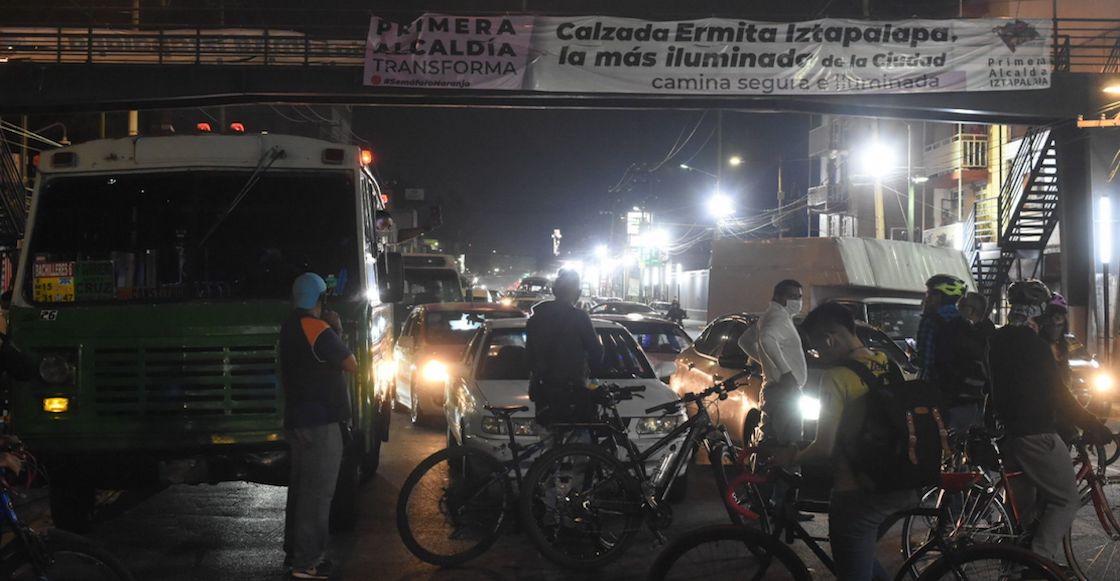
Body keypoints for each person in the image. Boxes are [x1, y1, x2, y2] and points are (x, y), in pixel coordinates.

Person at [772, 303, 916, 581]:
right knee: (860, 558)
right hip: (901, 480)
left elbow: (823, 446)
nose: (819, 354)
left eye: (816, 348)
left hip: (858, 493)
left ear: (830, 338)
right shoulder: (887, 362)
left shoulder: (836, 378)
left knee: (853, 569)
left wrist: (789, 457)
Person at [986, 280, 1111, 565]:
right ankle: (1039, 565)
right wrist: (1091, 423)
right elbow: (1058, 394)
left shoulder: (998, 341)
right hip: (1036, 432)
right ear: (1039, 311)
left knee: (1026, 515)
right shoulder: (1036, 346)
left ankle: (1016, 566)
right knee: (1065, 499)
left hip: (1010, 435)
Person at [281, 273, 357, 580]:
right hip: (321, 422)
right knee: (317, 495)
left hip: (300, 420)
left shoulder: (289, 326)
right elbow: (351, 363)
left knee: (301, 491)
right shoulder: (317, 328)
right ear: (320, 299)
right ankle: (306, 562)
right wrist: (335, 327)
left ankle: (295, 554)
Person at [525, 269, 604, 427]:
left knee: (549, 441)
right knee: (578, 442)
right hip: (573, 391)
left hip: (544, 390)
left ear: (554, 291)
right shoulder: (580, 318)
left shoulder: (535, 320)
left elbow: (529, 358)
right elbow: (596, 352)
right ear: (578, 293)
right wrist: (593, 375)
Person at [742, 279, 807, 448]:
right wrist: (785, 372)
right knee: (788, 447)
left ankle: (759, 473)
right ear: (778, 296)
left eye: (799, 297)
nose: (797, 301)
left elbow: (745, 341)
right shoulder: (779, 317)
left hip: (774, 391)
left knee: (769, 444)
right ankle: (786, 474)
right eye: (792, 296)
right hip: (784, 393)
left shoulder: (770, 316)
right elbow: (767, 339)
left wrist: (766, 362)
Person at [935, 291, 991, 434]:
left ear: (970, 310)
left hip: (956, 400)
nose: (959, 305)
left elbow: (943, 362)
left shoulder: (954, 330)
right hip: (981, 401)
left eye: (963, 302)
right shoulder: (990, 333)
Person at [915, 274, 967, 384]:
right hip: (959, 385)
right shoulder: (964, 322)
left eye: (930, 294)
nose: (927, 298)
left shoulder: (931, 321)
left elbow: (925, 361)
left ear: (941, 297)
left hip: (935, 385)